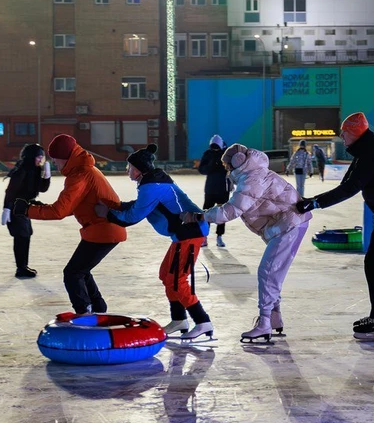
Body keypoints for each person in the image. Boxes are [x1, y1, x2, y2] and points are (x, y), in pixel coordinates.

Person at [296, 113, 374, 341]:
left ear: (354, 133)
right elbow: (346, 183)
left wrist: (316, 203)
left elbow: (351, 187)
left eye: (345, 132)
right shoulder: (365, 152)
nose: (341, 136)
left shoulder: (371, 153)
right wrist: (315, 200)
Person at [182, 143, 312, 342]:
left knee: (268, 271)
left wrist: (201, 216)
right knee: (272, 271)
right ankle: (274, 317)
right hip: (286, 224)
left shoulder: (253, 178)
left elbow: (232, 210)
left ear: (238, 162)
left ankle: (265, 322)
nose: (225, 167)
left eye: (227, 164)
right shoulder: (251, 174)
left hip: (290, 224)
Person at [97, 144, 215, 343]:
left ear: (139, 169)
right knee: (167, 275)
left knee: (177, 280)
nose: (127, 171)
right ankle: (179, 320)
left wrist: (107, 214)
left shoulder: (152, 187)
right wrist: (114, 206)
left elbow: (133, 216)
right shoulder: (152, 183)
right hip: (182, 235)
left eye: (129, 167)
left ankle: (202, 321)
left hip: (190, 234)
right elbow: (139, 206)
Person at [12, 134, 126, 313]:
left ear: (65, 158)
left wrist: (26, 210)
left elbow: (60, 211)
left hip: (103, 230)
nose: (56, 165)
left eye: (56, 160)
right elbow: (73, 206)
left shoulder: (80, 175)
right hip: (102, 229)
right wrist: (39, 207)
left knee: (72, 274)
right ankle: (98, 307)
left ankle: (84, 312)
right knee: (81, 270)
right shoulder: (85, 170)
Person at [2, 144, 51, 278]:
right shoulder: (22, 170)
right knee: (21, 235)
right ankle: (21, 268)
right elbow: (10, 191)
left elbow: (41, 189)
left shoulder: (34, 170)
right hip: (16, 207)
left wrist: (47, 175)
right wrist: (6, 209)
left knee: (26, 234)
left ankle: (23, 266)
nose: (40, 160)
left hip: (24, 207)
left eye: (41, 157)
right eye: (38, 157)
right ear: (31, 157)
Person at [198, 134, 229, 248]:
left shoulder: (226, 155)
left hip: (223, 188)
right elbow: (201, 169)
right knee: (206, 213)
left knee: (221, 214)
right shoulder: (208, 154)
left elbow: (233, 169)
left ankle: (219, 236)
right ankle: (204, 236)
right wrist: (211, 165)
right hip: (210, 189)